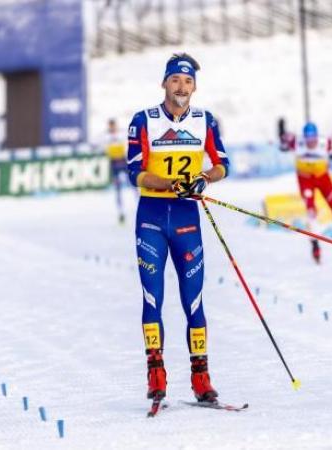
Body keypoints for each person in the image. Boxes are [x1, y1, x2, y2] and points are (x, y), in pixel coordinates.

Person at [127, 53, 230, 404]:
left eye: (187, 82)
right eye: (175, 80)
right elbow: (134, 172)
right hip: (152, 220)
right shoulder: (144, 120)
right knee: (153, 297)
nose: (181, 87)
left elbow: (222, 165)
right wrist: (168, 184)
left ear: (194, 87)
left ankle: (201, 378)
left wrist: (204, 178)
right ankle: (156, 374)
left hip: (187, 221)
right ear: (164, 83)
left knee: (194, 300)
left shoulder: (205, 121)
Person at [279, 120, 332, 263]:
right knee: (311, 211)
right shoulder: (297, 142)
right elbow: (284, 141)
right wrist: (281, 131)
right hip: (305, 179)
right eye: (308, 140)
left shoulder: (325, 142)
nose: (310, 143)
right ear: (304, 138)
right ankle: (315, 246)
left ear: (317, 137)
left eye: (313, 139)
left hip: (322, 178)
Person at [103, 118, 129, 224]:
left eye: (113, 126)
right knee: (118, 190)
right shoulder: (106, 136)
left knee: (134, 187)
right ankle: (121, 212)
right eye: (111, 126)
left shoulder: (121, 134)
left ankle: (141, 208)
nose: (112, 128)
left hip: (123, 162)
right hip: (114, 164)